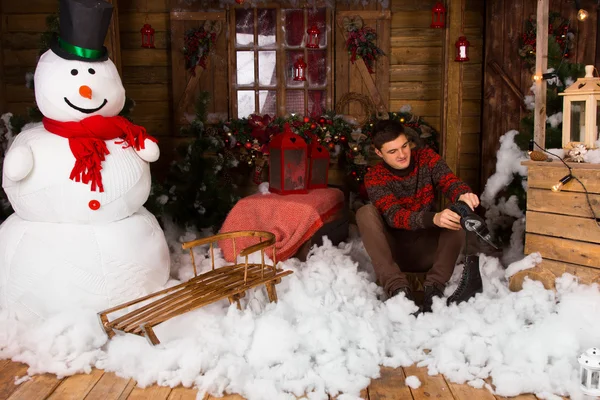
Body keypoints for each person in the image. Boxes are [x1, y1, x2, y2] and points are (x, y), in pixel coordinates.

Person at [356, 119, 488, 313]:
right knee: (365, 213)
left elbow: (449, 181)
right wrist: (433, 218)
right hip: (394, 250)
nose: (402, 155)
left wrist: (462, 194)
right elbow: (395, 216)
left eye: (404, 146)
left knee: (457, 212)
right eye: (392, 151)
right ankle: (398, 290)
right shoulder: (375, 177)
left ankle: (434, 289)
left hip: (429, 250)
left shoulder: (426, 158)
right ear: (379, 153)